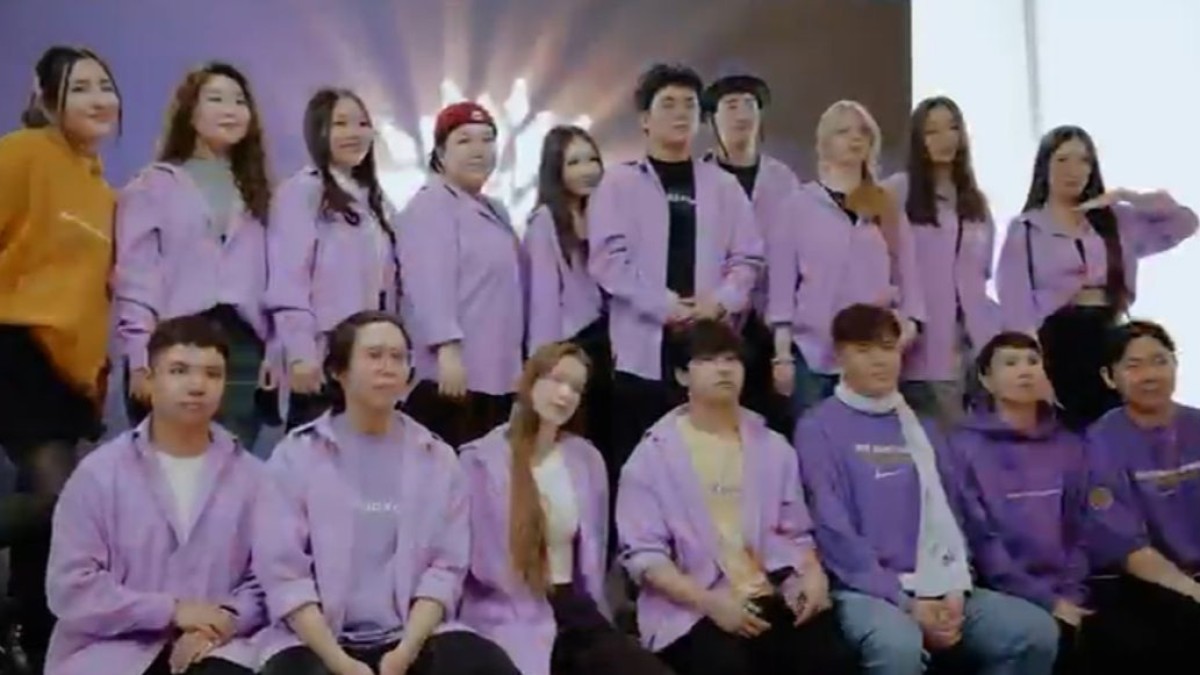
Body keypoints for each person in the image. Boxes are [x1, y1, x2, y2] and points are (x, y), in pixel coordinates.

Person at [795, 303, 1059, 675]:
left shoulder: (926, 428)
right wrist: (905, 601)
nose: (879, 360)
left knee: (1034, 632)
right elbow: (833, 530)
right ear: (840, 357)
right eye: (864, 350)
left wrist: (955, 588)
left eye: (887, 348)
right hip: (864, 590)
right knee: (898, 646)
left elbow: (959, 514)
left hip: (944, 585)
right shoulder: (818, 427)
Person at [254, 311, 519, 675]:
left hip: (412, 635)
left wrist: (405, 651)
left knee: (484, 665)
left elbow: (445, 568)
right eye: (374, 355)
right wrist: (340, 662)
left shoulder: (437, 457)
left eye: (398, 357)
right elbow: (284, 574)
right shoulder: (296, 456)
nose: (388, 367)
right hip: (318, 640)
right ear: (339, 370)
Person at [616, 319, 857, 675]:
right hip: (694, 605)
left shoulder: (773, 447)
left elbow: (796, 532)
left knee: (832, 658)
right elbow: (645, 557)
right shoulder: (651, 458)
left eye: (732, 359)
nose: (724, 369)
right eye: (708, 360)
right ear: (682, 375)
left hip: (769, 592)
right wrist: (709, 603)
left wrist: (812, 573)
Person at [44, 316, 265, 675]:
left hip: (217, 649)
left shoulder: (254, 477)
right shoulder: (99, 475)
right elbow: (70, 588)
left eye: (212, 374)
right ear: (148, 379)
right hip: (110, 652)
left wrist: (224, 621)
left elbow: (267, 578)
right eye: (179, 371)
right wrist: (172, 610)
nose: (197, 386)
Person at [0, 44, 121, 669]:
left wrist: (96, 378)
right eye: (80, 88)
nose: (98, 99)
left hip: (72, 371)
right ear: (47, 99)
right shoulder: (22, 153)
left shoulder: (102, 188)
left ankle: (30, 633)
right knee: (55, 499)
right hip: (17, 345)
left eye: (105, 86)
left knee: (56, 513)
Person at [588, 63, 763, 482]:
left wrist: (719, 302)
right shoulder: (618, 184)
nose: (681, 113)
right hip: (640, 351)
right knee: (639, 471)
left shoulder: (723, 186)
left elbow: (749, 259)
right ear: (645, 120)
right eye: (668, 104)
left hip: (707, 346)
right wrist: (662, 304)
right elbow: (608, 260)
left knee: (705, 469)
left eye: (689, 104)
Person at [459, 342, 670, 675]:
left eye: (576, 388)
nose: (565, 394)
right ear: (529, 381)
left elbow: (596, 551)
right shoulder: (478, 461)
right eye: (557, 380)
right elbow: (477, 564)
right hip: (508, 610)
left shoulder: (587, 459)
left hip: (575, 607)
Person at [951, 331, 1154, 674]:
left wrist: (1071, 593)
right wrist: (1047, 601)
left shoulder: (1070, 443)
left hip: (1073, 588)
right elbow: (982, 542)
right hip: (1003, 593)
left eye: (1033, 361)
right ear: (986, 379)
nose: (1025, 371)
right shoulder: (962, 447)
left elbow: (1083, 527)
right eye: (1010, 363)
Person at [115, 61, 275, 448]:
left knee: (233, 459)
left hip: (243, 345)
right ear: (190, 111)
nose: (230, 110)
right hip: (174, 339)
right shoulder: (153, 184)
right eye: (216, 99)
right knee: (171, 459)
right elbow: (136, 277)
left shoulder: (263, 192)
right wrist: (139, 355)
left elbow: (278, 278)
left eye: (239, 101)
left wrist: (277, 348)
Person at [996, 125, 1197, 430]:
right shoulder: (1025, 229)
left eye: (1083, 160)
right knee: (1072, 430)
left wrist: (1128, 196)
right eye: (1062, 160)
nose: (1074, 170)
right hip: (1057, 340)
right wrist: (1031, 368)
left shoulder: (1114, 220)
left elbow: (1184, 222)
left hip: (1110, 333)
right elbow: (1015, 306)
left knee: (1122, 429)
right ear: (1044, 167)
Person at [768, 101, 925, 419]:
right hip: (813, 355)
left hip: (872, 353)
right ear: (825, 142)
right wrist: (782, 355)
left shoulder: (886, 206)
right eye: (844, 131)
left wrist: (905, 331)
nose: (855, 138)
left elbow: (907, 276)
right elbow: (781, 289)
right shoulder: (797, 206)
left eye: (862, 132)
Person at [267, 87, 399, 430]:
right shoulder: (302, 192)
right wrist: (300, 353)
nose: (354, 133)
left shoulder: (376, 201)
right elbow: (288, 280)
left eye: (362, 123)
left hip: (368, 360)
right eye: (341, 124)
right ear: (318, 131)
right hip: (321, 359)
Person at [398, 102, 523, 448]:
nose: (478, 150)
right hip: (452, 375)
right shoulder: (432, 204)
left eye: (487, 139)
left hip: (497, 373)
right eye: (464, 140)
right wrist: (446, 349)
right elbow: (428, 282)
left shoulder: (496, 209)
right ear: (440, 153)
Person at [1084, 320, 1200, 673]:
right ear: (1109, 377)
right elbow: (1129, 549)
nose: (1150, 375)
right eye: (1134, 366)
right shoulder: (1100, 442)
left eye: (1160, 361)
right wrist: (1192, 590)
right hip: (1149, 583)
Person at [885, 96, 1000, 425]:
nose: (944, 139)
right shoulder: (898, 191)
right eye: (932, 131)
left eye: (952, 128)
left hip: (976, 345)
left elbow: (983, 269)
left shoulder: (974, 200)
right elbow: (879, 262)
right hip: (923, 346)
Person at [700, 71, 799, 435]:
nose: (742, 114)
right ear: (712, 119)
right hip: (717, 316)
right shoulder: (700, 179)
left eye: (749, 105)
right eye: (730, 105)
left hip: (773, 320)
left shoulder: (783, 180)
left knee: (773, 421)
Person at [524, 126, 612, 455]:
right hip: (570, 346)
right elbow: (543, 299)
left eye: (592, 160)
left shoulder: (604, 214)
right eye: (574, 162)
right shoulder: (545, 221)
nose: (587, 170)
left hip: (607, 342)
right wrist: (545, 367)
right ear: (555, 170)